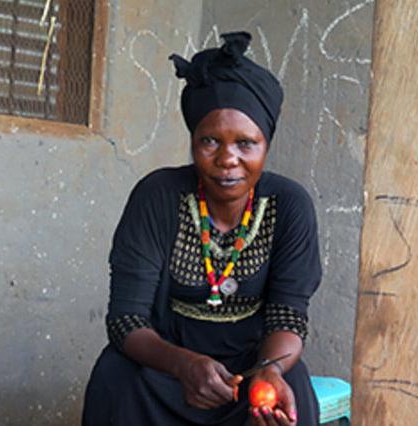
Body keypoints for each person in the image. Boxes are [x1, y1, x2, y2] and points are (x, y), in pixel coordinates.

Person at [82, 31, 322, 426]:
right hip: (166, 368)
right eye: (210, 141)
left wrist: (271, 370)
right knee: (117, 375)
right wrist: (183, 365)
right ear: (193, 141)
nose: (228, 159)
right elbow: (126, 319)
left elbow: (288, 317)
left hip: (252, 371)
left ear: (266, 145)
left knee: (290, 385)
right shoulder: (158, 196)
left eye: (246, 143)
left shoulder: (289, 205)